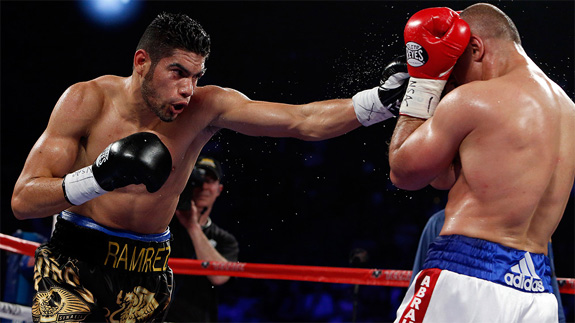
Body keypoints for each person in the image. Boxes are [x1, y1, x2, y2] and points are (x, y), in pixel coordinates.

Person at [10, 12, 408, 322]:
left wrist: (378, 102)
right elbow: (23, 199)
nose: (187, 89)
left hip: (147, 267)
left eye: (196, 76)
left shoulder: (206, 108)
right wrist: (96, 179)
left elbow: (300, 121)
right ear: (142, 62)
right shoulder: (87, 100)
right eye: (177, 72)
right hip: (73, 257)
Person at [388, 3, 575, 323]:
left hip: (466, 277)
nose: (454, 81)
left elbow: (404, 172)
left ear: (475, 48)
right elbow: (444, 177)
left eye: (453, 68)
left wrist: (425, 85)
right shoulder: (568, 112)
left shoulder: (475, 100)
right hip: (536, 293)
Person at [410, 209, 566, 323]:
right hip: (463, 307)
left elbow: (548, 285)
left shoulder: (535, 229)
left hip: (528, 304)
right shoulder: (440, 223)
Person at [165, 156, 239, 322]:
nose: (204, 186)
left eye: (210, 181)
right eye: (199, 180)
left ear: (219, 189)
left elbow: (219, 277)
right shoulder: (161, 226)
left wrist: (193, 227)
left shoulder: (224, 239)